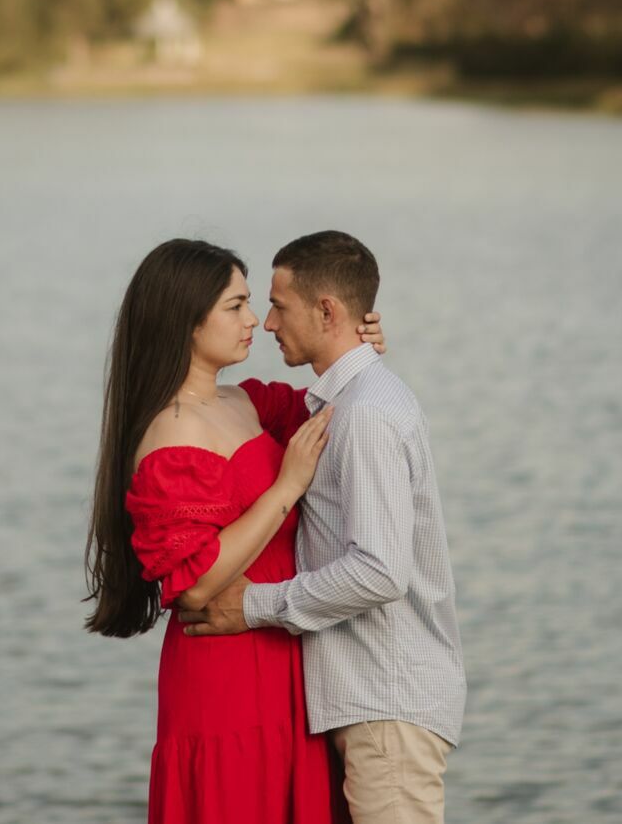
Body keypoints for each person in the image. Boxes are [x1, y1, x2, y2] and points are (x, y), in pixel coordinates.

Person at [84, 237, 384, 824]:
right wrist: (284, 489)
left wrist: (356, 349)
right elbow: (192, 583)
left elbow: (335, 413)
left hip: (283, 649)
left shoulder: (245, 402)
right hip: (224, 670)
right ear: (186, 321)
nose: (256, 322)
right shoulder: (170, 434)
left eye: (252, 304)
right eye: (236, 306)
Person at [180, 231, 465, 824]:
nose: (267, 322)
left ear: (327, 311)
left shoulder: (364, 415)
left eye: (280, 305)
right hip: (372, 697)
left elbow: (381, 572)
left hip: (388, 703)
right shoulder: (346, 401)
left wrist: (254, 605)